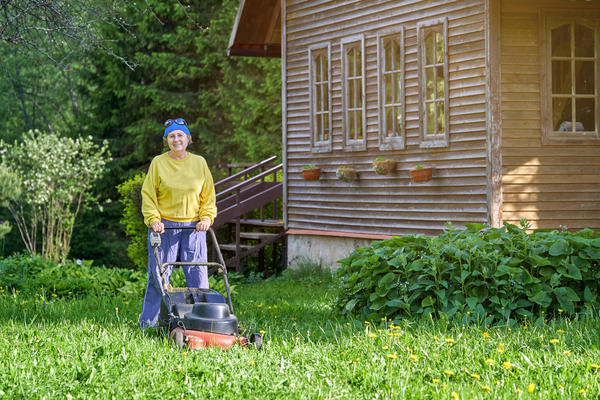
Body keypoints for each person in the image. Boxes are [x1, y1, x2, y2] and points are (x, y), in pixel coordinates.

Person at [138, 118, 217, 329]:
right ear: (166, 141)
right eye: (171, 136)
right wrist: (154, 219)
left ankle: (203, 321)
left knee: (198, 276)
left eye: (180, 135)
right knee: (158, 277)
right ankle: (149, 324)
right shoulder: (158, 162)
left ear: (188, 139)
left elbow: (208, 194)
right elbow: (148, 194)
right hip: (164, 227)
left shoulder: (199, 162)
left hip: (193, 228)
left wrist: (206, 217)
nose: (176, 139)